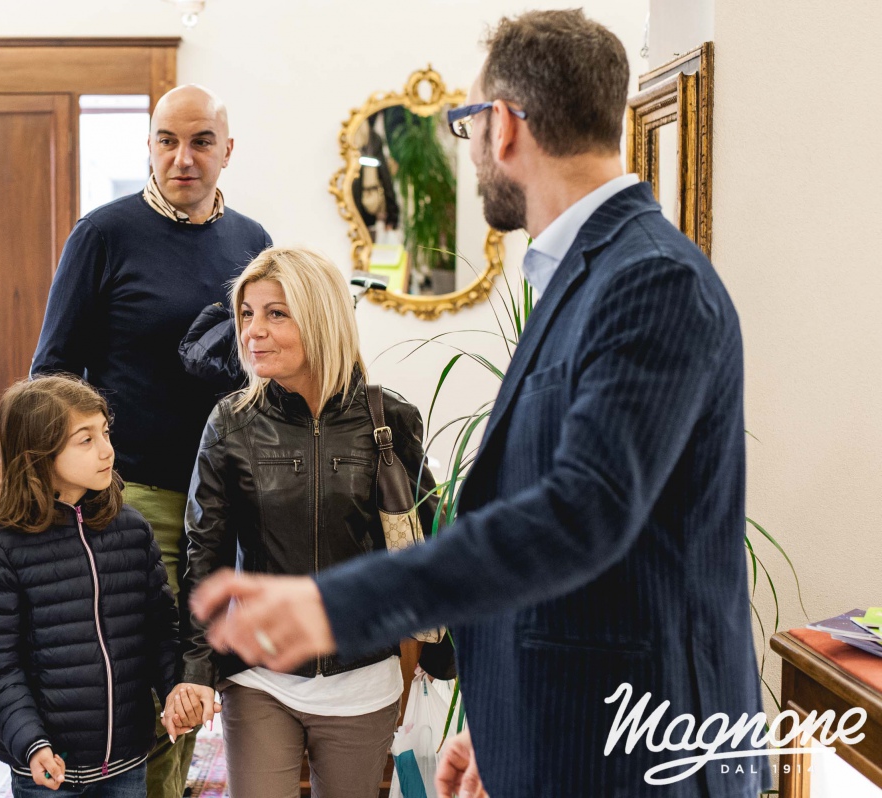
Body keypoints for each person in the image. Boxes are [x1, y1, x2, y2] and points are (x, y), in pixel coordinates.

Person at [189, 10, 765, 798]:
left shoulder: (648, 280)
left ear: (505, 126)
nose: (469, 150)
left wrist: (336, 603)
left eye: (467, 124)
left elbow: (578, 516)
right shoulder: (585, 274)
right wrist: (505, 718)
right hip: (569, 723)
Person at [30, 84, 272, 797]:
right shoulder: (103, 235)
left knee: (199, 682)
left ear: (228, 150)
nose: (182, 158)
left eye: (201, 142)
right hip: (135, 498)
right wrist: (82, 481)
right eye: (167, 141)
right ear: (149, 146)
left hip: (229, 503)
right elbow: (50, 375)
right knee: (144, 690)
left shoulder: (253, 242)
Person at [172, 247, 440, 798]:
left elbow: (425, 542)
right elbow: (204, 553)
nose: (253, 332)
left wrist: (438, 652)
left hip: (363, 677)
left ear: (321, 319)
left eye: (276, 314)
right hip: (258, 676)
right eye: (247, 313)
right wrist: (196, 671)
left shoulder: (390, 420)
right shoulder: (231, 423)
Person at [0, 375, 202, 797]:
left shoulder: (132, 530)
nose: (107, 450)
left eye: (105, 433)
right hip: (47, 772)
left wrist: (173, 691)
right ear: (39, 453)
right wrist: (31, 742)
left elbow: (160, 633)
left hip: (127, 763)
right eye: (86, 439)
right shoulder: (3, 550)